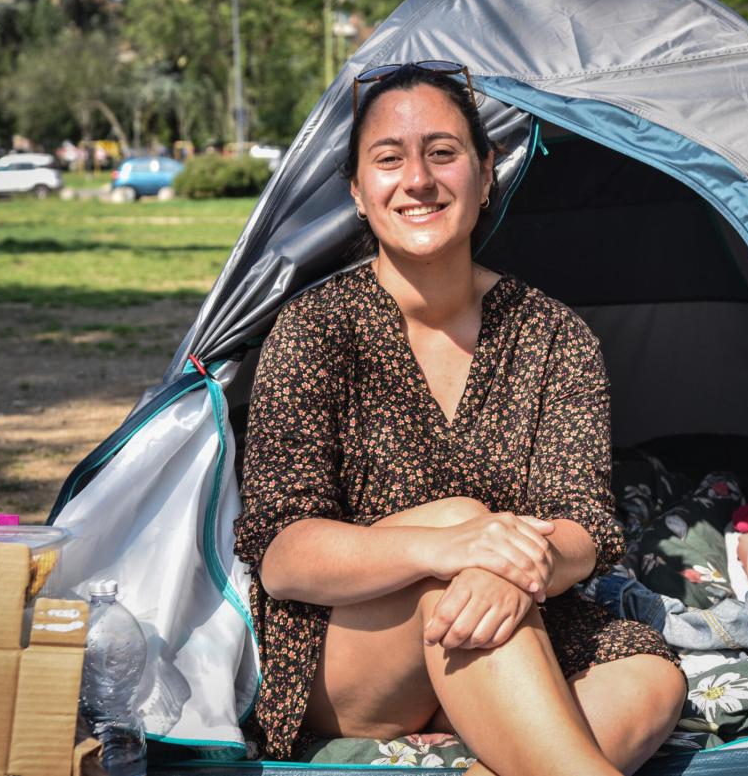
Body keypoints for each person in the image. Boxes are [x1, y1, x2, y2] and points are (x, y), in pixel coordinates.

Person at [234, 61, 686, 776]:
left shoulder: (552, 334)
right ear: (357, 191)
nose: (417, 179)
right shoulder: (315, 329)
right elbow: (284, 555)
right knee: (452, 520)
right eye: (389, 159)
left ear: (486, 171)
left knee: (652, 677)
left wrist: (512, 569)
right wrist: (453, 546)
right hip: (351, 658)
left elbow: (586, 525)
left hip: (508, 611)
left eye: (442, 152)